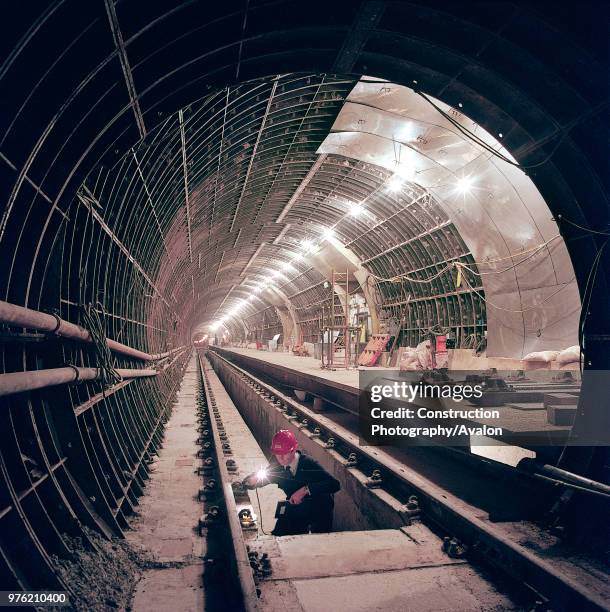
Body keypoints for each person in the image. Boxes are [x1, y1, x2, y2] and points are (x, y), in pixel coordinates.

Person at [243, 429, 340, 536]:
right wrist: (250, 481)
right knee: (280, 534)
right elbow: (263, 477)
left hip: (320, 508)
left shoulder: (308, 464)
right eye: (277, 454)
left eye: (284, 453)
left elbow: (334, 484)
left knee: (320, 541)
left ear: (293, 450)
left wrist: (305, 490)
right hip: (297, 506)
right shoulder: (278, 467)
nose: (281, 458)